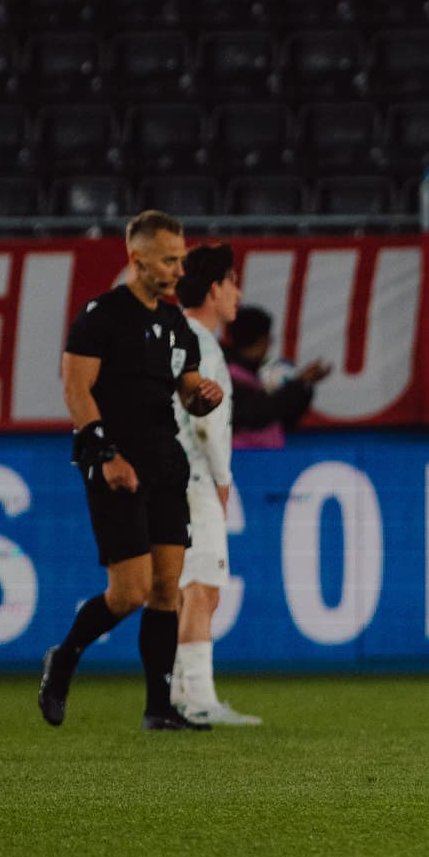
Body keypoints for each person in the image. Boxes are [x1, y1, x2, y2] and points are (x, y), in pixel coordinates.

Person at [38, 209, 224, 731]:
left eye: (181, 260)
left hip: (165, 460)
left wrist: (202, 397)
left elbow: (186, 391)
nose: (177, 270)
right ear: (136, 258)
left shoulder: (175, 326)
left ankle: (158, 708)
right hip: (117, 462)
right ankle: (66, 655)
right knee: (129, 592)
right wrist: (104, 454)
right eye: (168, 260)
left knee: (168, 588)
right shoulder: (101, 315)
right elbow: (75, 389)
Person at [169, 243, 260, 726]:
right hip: (195, 476)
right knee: (203, 589)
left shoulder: (174, 336)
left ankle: (182, 694)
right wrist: (223, 483)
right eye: (232, 281)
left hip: (171, 475)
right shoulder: (202, 344)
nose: (238, 293)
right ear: (213, 288)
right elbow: (205, 422)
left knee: (188, 590)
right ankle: (199, 699)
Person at [225, 305, 334, 449]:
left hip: (264, 458)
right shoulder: (228, 377)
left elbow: (283, 417)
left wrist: (304, 385)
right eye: (269, 339)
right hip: (243, 460)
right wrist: (299, 384)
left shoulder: (252, 375)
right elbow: (258, 412)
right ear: (262, 340)